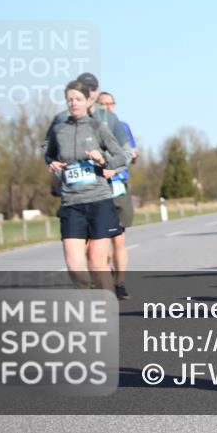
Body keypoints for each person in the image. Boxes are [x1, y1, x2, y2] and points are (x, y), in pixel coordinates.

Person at [45, 80, 128, 291]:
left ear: (87, 101)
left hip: (99, 201)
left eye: (78, 99)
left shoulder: (97, 127)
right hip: (71, 203)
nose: (73, 103)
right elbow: (49, 154)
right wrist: (52, 163)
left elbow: (120, 157)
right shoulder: (59, 130)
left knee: (96, 263)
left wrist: (102, 161)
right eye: (69, 99)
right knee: (74, 264)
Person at [97, 91, 138, 300]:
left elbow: (131, 152)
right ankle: (107, 277)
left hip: (119, 185)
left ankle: (120, 282)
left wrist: (131, 156)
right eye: (101, 104)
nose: (106, 108)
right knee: (98, 241)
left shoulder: (122, 127)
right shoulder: (89, 128)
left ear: (114, 105)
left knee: (118, 240)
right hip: (97, 189)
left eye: (109, 104)